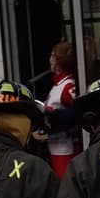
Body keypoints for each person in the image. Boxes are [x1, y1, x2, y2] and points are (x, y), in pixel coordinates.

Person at [33, 41, 81, 178]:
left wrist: (57, 133)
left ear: (58, 61)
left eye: (52, 56)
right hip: (56, 148)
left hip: (66, 150)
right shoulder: (58, 84)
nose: (50, 59)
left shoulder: (68, 86)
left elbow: (78, 116)